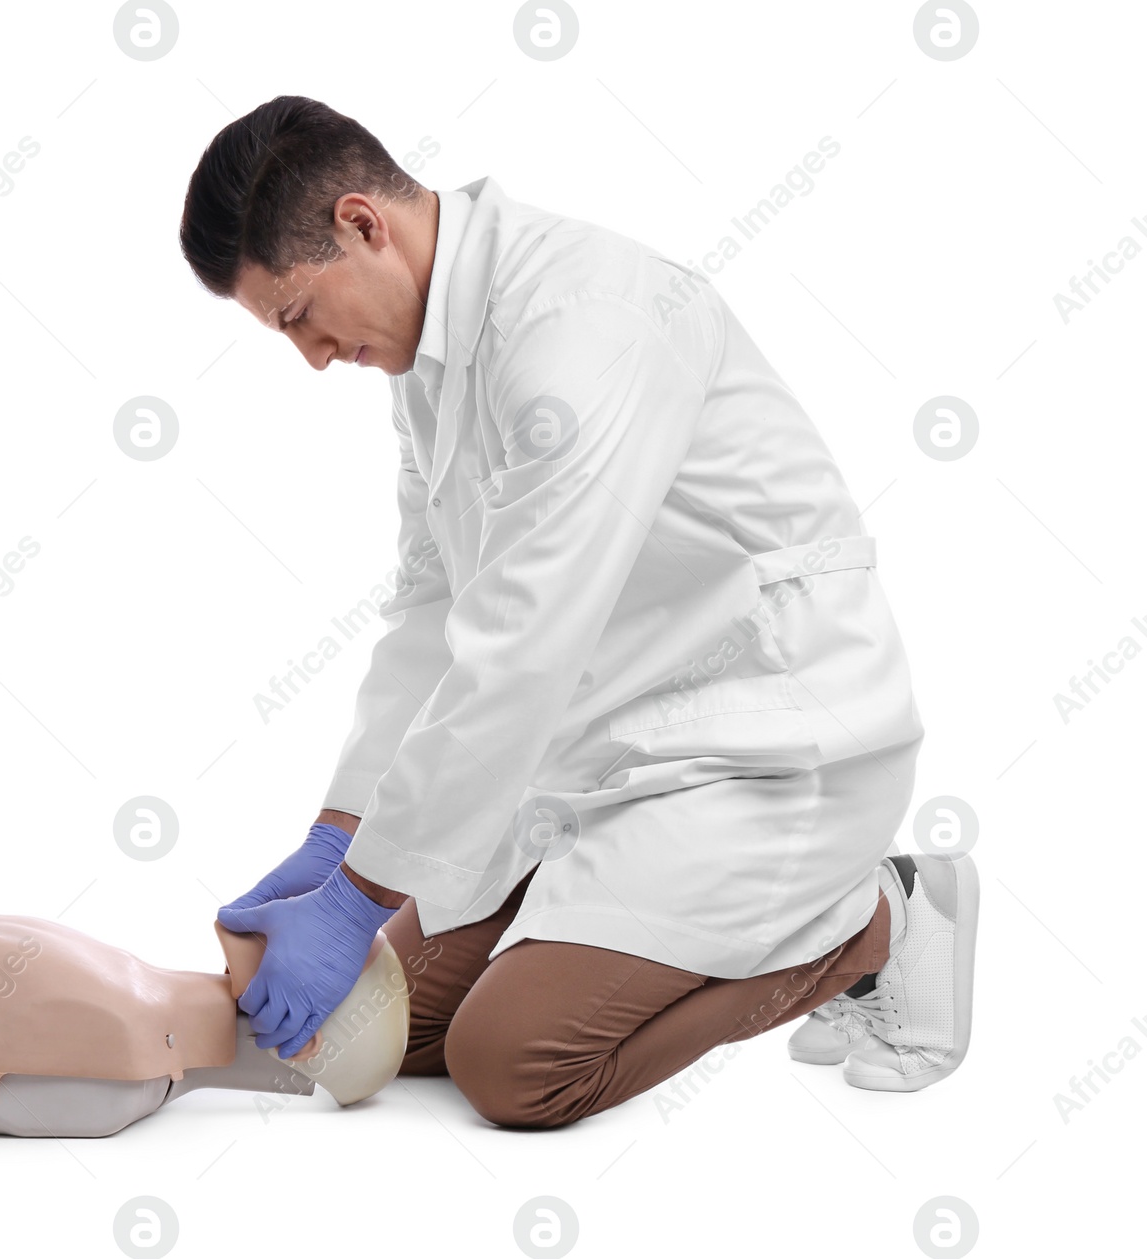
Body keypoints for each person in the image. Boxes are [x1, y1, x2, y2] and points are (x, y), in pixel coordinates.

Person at [179, 96, 977, 1129]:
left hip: (766, 744)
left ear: (360, 223)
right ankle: (603, 913)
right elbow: (433, 605)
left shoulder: (582, 324)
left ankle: (874, 919)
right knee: (397, 1031)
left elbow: (521, 642)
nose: (312, 356)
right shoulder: (429, 363)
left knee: (513, 1066)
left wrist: (358, 901)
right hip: (611, 748)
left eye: (296, 315)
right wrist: (342, 834)